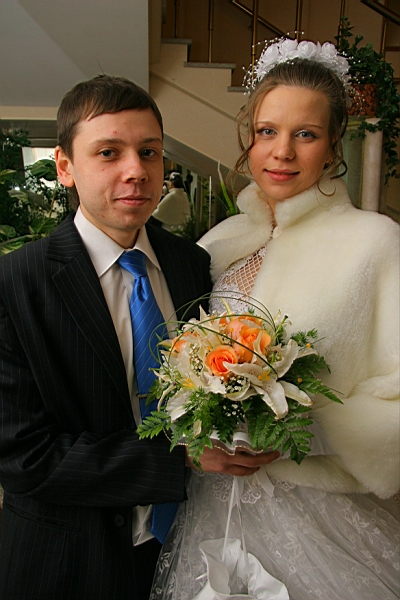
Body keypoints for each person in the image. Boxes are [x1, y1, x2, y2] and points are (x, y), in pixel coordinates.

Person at [0, 75, 279, 600]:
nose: (136, 170)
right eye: (108, 152)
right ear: (65, 166)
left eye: (149, 151)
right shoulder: (17, 284)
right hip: (67, 562)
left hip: (184, 551)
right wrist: (179, 458)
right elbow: (23, 458)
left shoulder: (191, 264)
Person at [150, 40, 400, 600]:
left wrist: (301, 436)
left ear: (332, 146)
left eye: (305, 134)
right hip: (213, 510)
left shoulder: (375, 243)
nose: (282, 152)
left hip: (321, 519)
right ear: (250, 138)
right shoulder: (220, 244)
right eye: (267, 131)